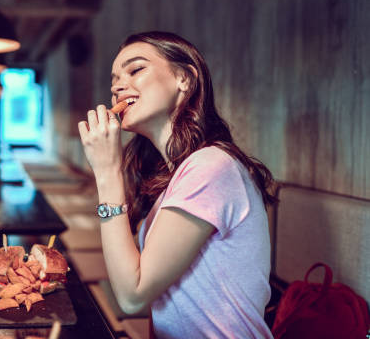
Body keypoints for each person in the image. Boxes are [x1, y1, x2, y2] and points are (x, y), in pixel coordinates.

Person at [78, 31, 278, 338]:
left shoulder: (211, 166)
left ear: (184, 79)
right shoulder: (175, 175)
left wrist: (106, 172)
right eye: (114, 79)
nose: (117, 86)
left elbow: (132, 296)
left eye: (136, 69)